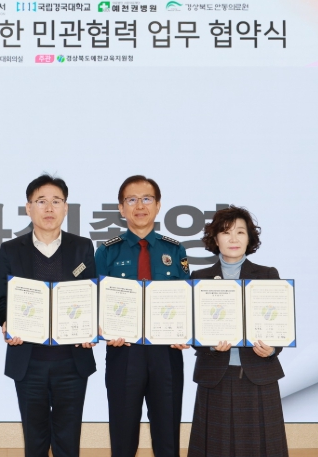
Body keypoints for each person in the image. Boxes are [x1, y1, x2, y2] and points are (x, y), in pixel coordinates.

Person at [0, 174, 97, 457]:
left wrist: (92, 327)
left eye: (56, 201)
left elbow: (93, 294)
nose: (49, 208)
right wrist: (6, 322)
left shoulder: (82, 247)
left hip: (72, 360)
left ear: (66, 208)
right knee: (35, 440)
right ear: (29, 208)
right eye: (41, 201)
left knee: (68, 441)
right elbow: (2, 298)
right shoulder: (10, 250)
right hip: (28, 361)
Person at [94, 175, 190, 457]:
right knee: (123, 438)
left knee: (168, 436)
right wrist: (102, 328)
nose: (139, 206)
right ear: (121, 208)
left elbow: (187, 299)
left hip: (167, 352)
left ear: (158, 205)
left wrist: (187, 331)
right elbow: (94, 300)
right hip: (124, 351)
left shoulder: (175, 249)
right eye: (131, 200)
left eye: (147, 199)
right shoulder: (107, 251)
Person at [188, 206, 288, 457]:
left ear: (249, 238)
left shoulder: (267, 275)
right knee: (215, 448)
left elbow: (279, 324)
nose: (233, 239)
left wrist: (272, 349)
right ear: (215, 239)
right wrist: (209, 344)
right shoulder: (200, 277)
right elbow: (192, 330)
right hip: (216, 376)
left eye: (240, 232)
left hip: (258, 375)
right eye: (226, 232)